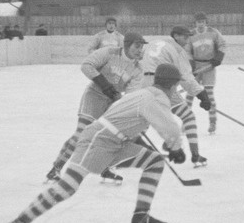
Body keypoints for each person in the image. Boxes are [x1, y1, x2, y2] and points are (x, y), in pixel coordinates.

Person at [5, 62, 186, 223]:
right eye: (176, 86)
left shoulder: (143, 94)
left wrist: (162, 143)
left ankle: (141, 216)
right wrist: (175, 148)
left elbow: (130, 119)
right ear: (171, 85)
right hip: (98, 140)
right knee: (69, 185)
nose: (176, 91)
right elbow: (171, 128)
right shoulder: (155, 99)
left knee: (154, 162)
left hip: (116, 142)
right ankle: (20, 222)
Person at [45, 32, 147, 183]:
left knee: (106, 138)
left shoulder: (138, 69)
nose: (140, 50)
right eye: (137, 46)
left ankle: (104, 169)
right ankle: (56, 168)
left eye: (142, 47)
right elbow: (87, 65)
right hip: (94, 96)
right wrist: (104, 84)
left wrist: (122, 104)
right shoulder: (109, 52)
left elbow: (131, 94)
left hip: (111, 103)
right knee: (81, 133)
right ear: (126, 45)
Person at [141, 25, 212, 167]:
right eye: (184, 37)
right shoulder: (177, 50)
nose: (187, 41)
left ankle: (124, 152)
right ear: (176, 36)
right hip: (162, 84)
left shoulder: (155, 42)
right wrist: (201, 94)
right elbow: (185, 77)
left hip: (144, 82)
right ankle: (195, 156)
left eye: (188, 37)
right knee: (188, 116)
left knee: (144, 120)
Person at [184, 12, 226, 134]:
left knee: (209, 95)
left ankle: (212, 122)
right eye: (198, 22)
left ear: (206, 22)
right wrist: (191, 65)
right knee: (190, 93)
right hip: (196, 67)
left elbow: (222, 45)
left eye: (202, 22)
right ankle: (186, 122)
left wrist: (218, 57)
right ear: (195, 23)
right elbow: (187, 51)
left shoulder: (213, 32)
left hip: (209, 66)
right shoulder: (191, 34)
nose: (200, 24)